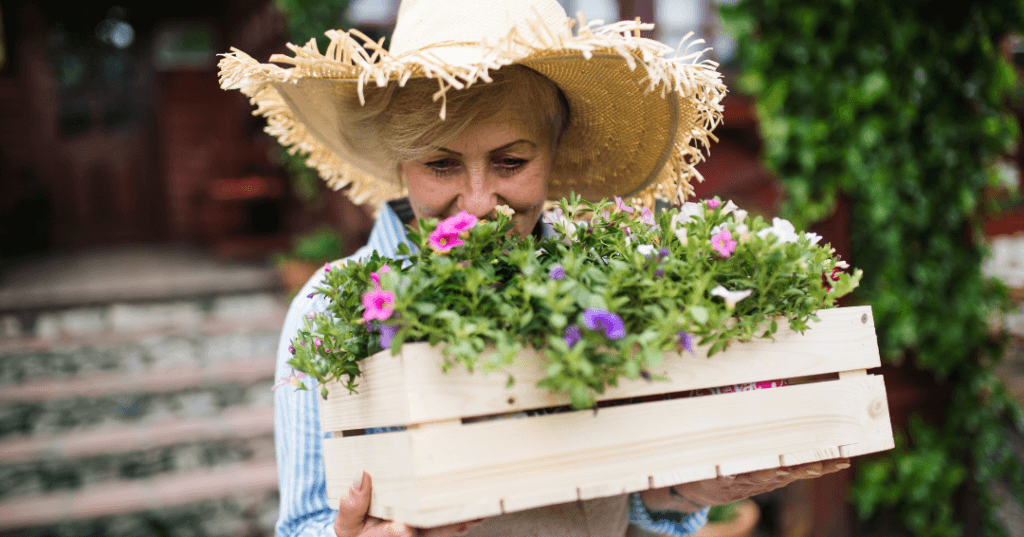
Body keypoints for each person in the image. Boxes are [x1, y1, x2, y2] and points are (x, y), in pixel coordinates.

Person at [218, 1, 850, 535]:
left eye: (511, 161)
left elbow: (631, 496)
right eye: (441, 166)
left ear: (554, 150)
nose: (477, 204)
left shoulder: (618, 284)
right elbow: (301, 522)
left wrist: (688, 490)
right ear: (399, 160)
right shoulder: (328, 311)